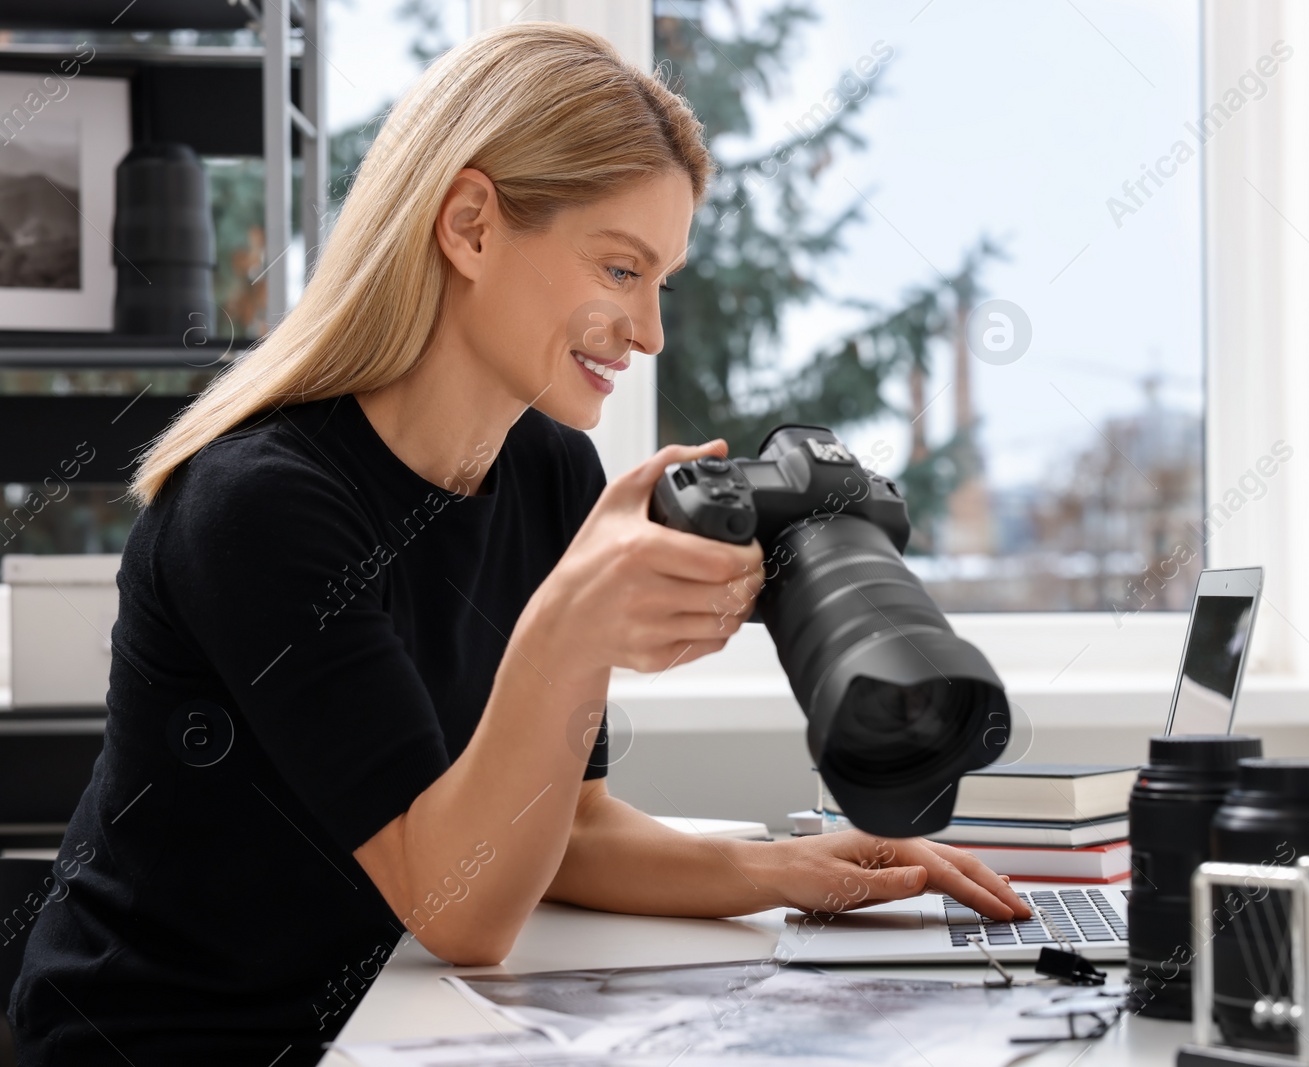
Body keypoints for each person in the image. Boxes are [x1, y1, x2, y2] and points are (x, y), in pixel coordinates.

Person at [7, 22, 1029, 1065]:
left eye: (659, 282)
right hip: (167, 1042)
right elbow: (462, 909)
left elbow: (564, 829)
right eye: (621, 268)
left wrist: (791, 870)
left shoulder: (547, 471)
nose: (649, 333)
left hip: (376, 1017)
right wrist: (568, 631)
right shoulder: (260, 505)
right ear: (471, 226)